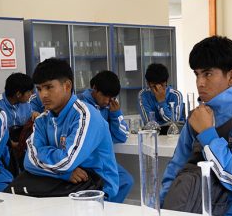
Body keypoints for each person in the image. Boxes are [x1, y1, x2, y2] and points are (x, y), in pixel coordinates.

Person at [161, 36, 232, 216]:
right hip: (198, 211)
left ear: (231, 77)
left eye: (207, 74)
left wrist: (208, 134)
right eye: (197, 74)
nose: (200, 82)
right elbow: (177, 167)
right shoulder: (197, 115)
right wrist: (163, 208)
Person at [24, 58, 120, 199]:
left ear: (67, 86)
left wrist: (43, 152)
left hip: (98, 192)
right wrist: (65, 174)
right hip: (62, 187)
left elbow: (66, 162)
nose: (43, 95)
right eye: (39, 89)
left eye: (49, 87)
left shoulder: (85, 115)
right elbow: (28, 161)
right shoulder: (42, 120)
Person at [79, 70, 133, 203]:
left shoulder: (110, 106)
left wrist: (116, 114)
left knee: (126, 181)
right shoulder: (80, 103)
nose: (107, 101)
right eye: (105, 96)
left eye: (111, 97)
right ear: (94, 88)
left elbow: (122, 136)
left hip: (103, 160)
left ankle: (107, 209)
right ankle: (101, 208)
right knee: (108, 185)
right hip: (86, 160)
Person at [139, 62, 184, 128]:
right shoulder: (143, 95)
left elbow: (173, 123)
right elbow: (150, 124)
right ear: (148, 84)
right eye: (154, 86)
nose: (159, 90)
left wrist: (161, 102)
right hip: (154, 133)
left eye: (162, 85)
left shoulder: (176, 95)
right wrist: (165, 124)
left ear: (166, 82)